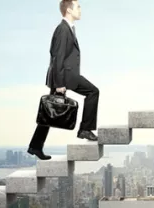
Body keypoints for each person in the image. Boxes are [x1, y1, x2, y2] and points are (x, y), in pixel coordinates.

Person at [28, 0, 99, 160]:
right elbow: (57, 57)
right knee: (93, 92)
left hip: (63, 75)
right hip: (65, 76)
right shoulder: (63, 30)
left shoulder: (67, 29)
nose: (80, 9)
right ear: (68, 10)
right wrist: (59, 83)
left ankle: (35, 146)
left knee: (49, 111)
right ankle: (85, 129)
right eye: (77, 7)